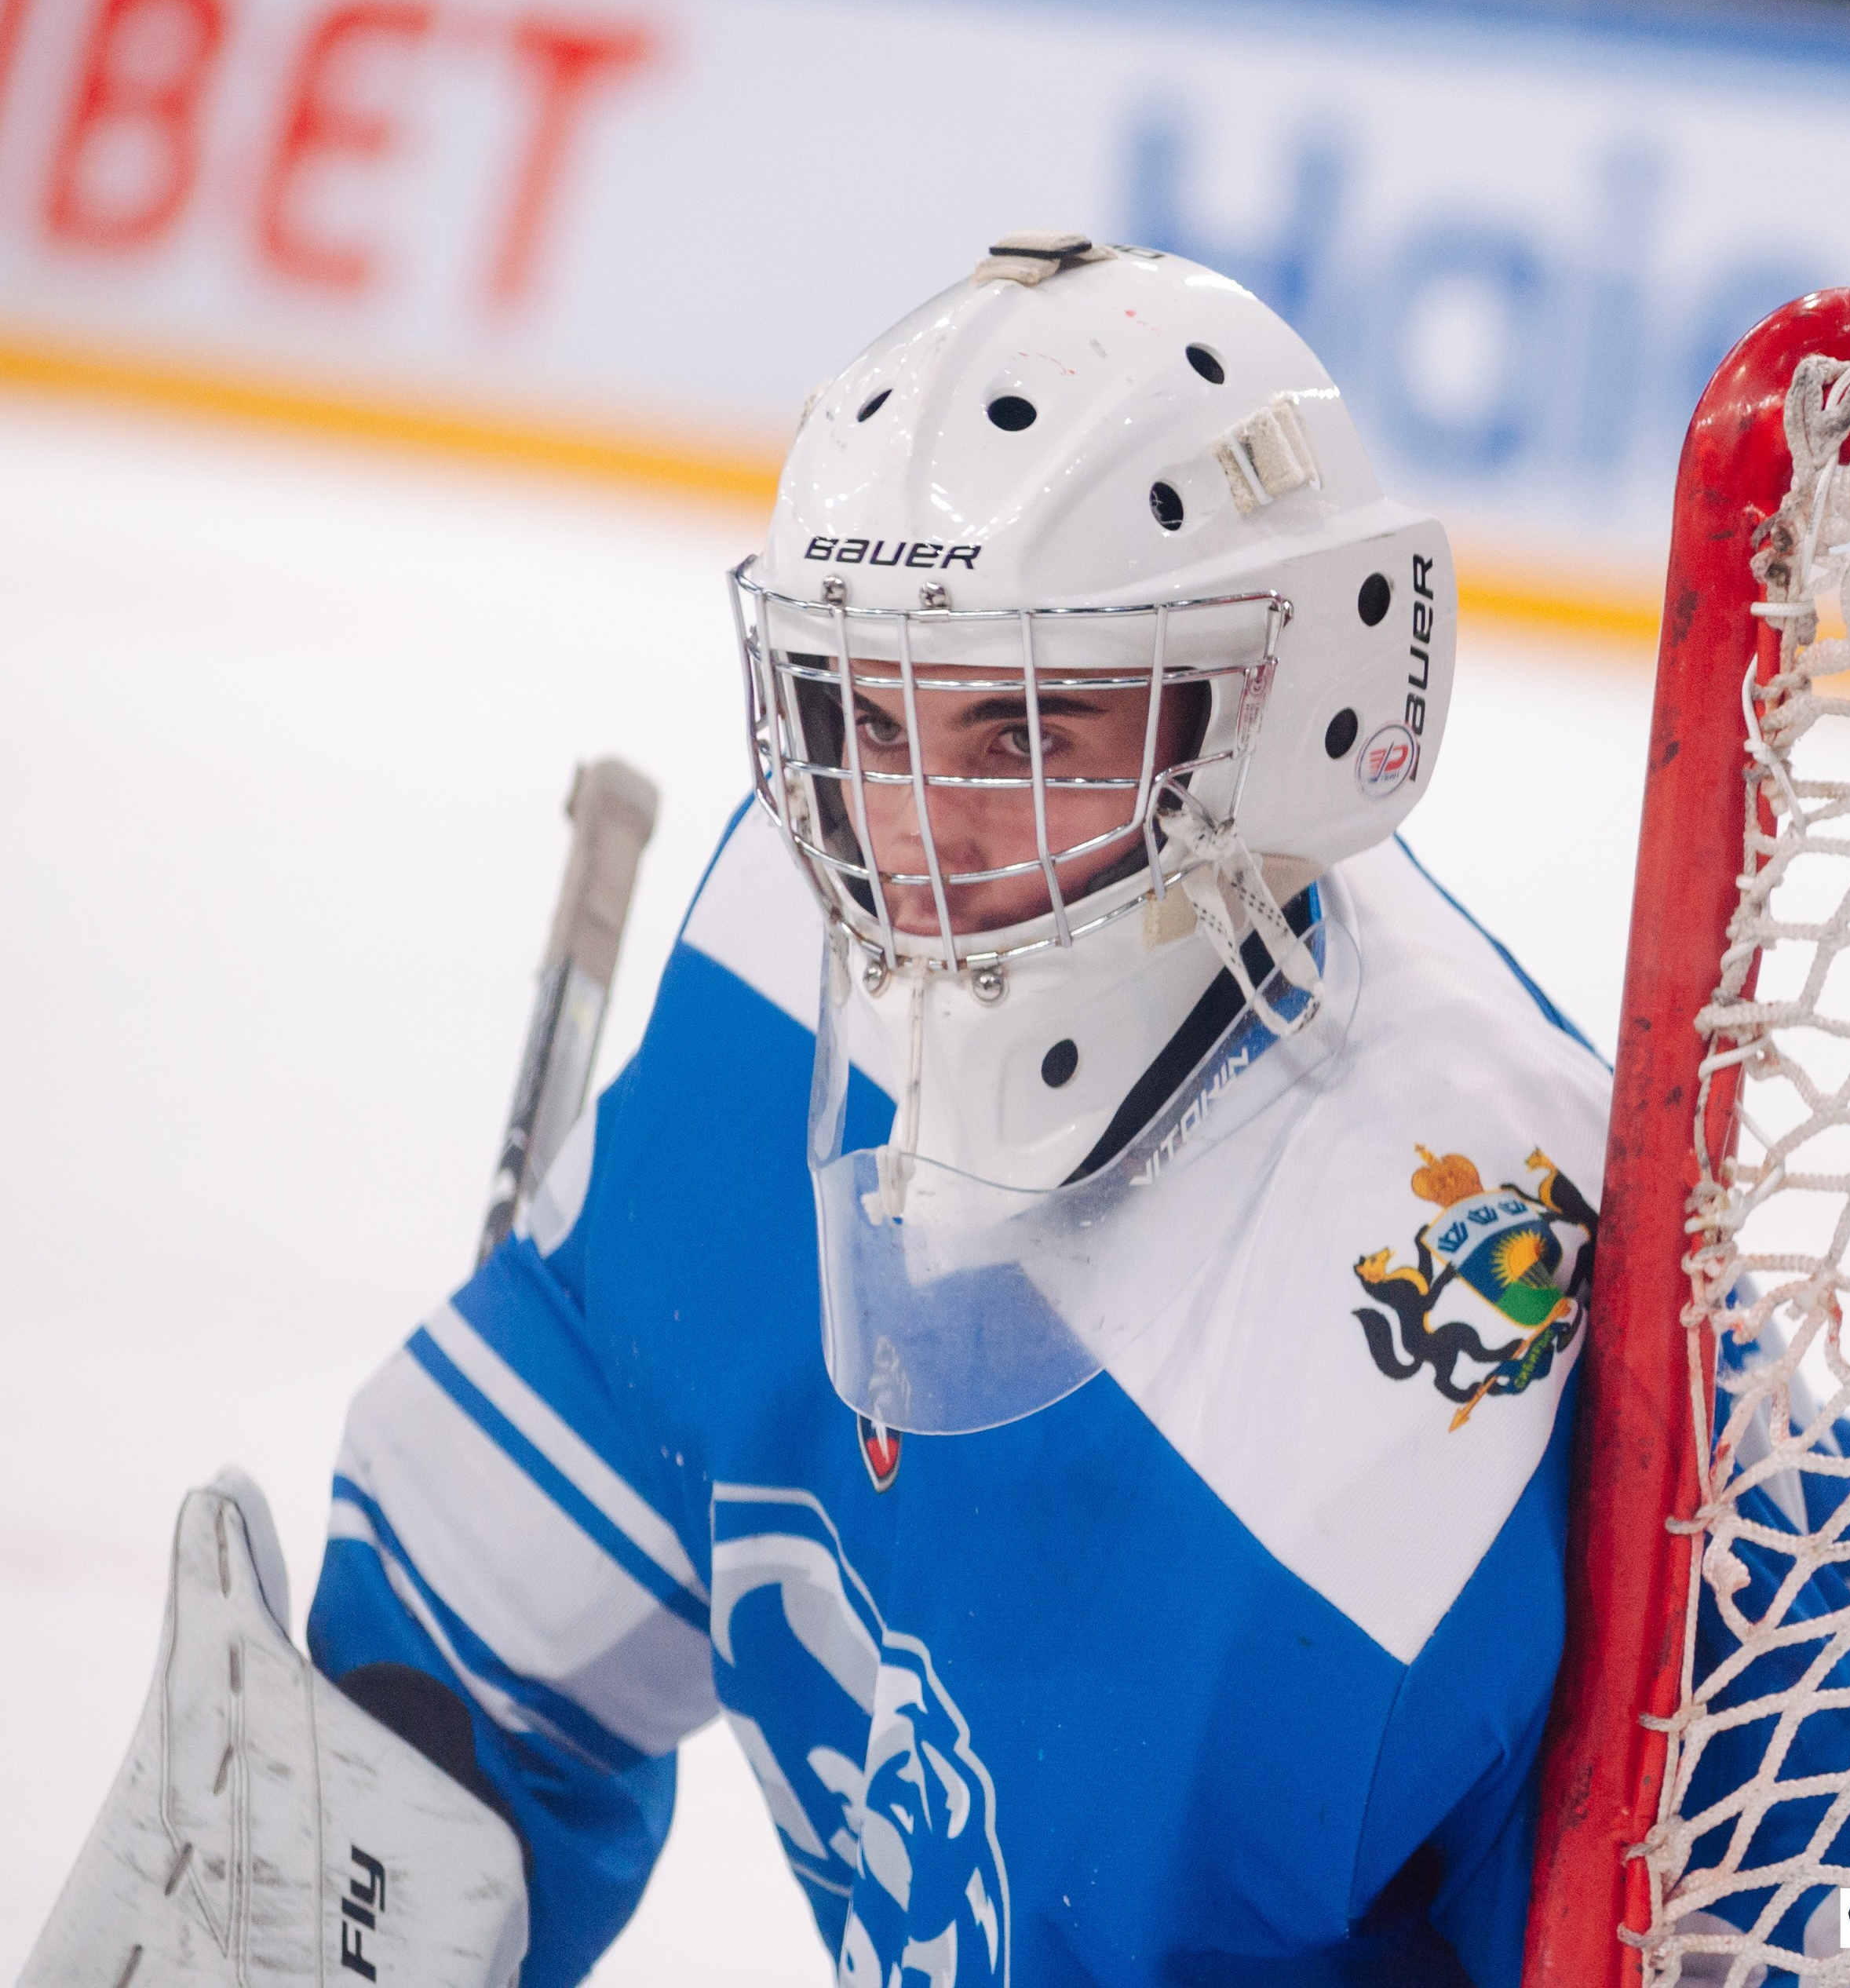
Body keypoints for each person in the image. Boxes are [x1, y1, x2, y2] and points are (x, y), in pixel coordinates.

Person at [24, 235, 1615, 1988]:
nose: (908, 847)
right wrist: (341, 1853)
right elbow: (469, 1670)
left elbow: (1821, 1890)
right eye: (862, 713)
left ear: (1277, 720)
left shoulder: (1482, 1361)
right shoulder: (782, 959)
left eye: (1026, 734)